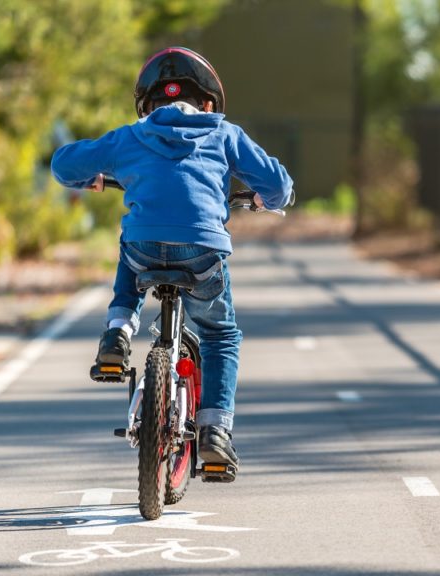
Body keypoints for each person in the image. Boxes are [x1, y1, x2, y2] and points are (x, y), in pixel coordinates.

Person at [50, 47, 293, 476]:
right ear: (209, 104)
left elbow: (63, 164)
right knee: (220, 335)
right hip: (202, 253)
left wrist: (94, 177)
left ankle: (117, 332)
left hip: (144, 250)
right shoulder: (224, 133)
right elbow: (277, 183)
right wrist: (265, 198)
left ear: (148, 106)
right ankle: (216, 433)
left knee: (133, 241)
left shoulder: (131, 136)